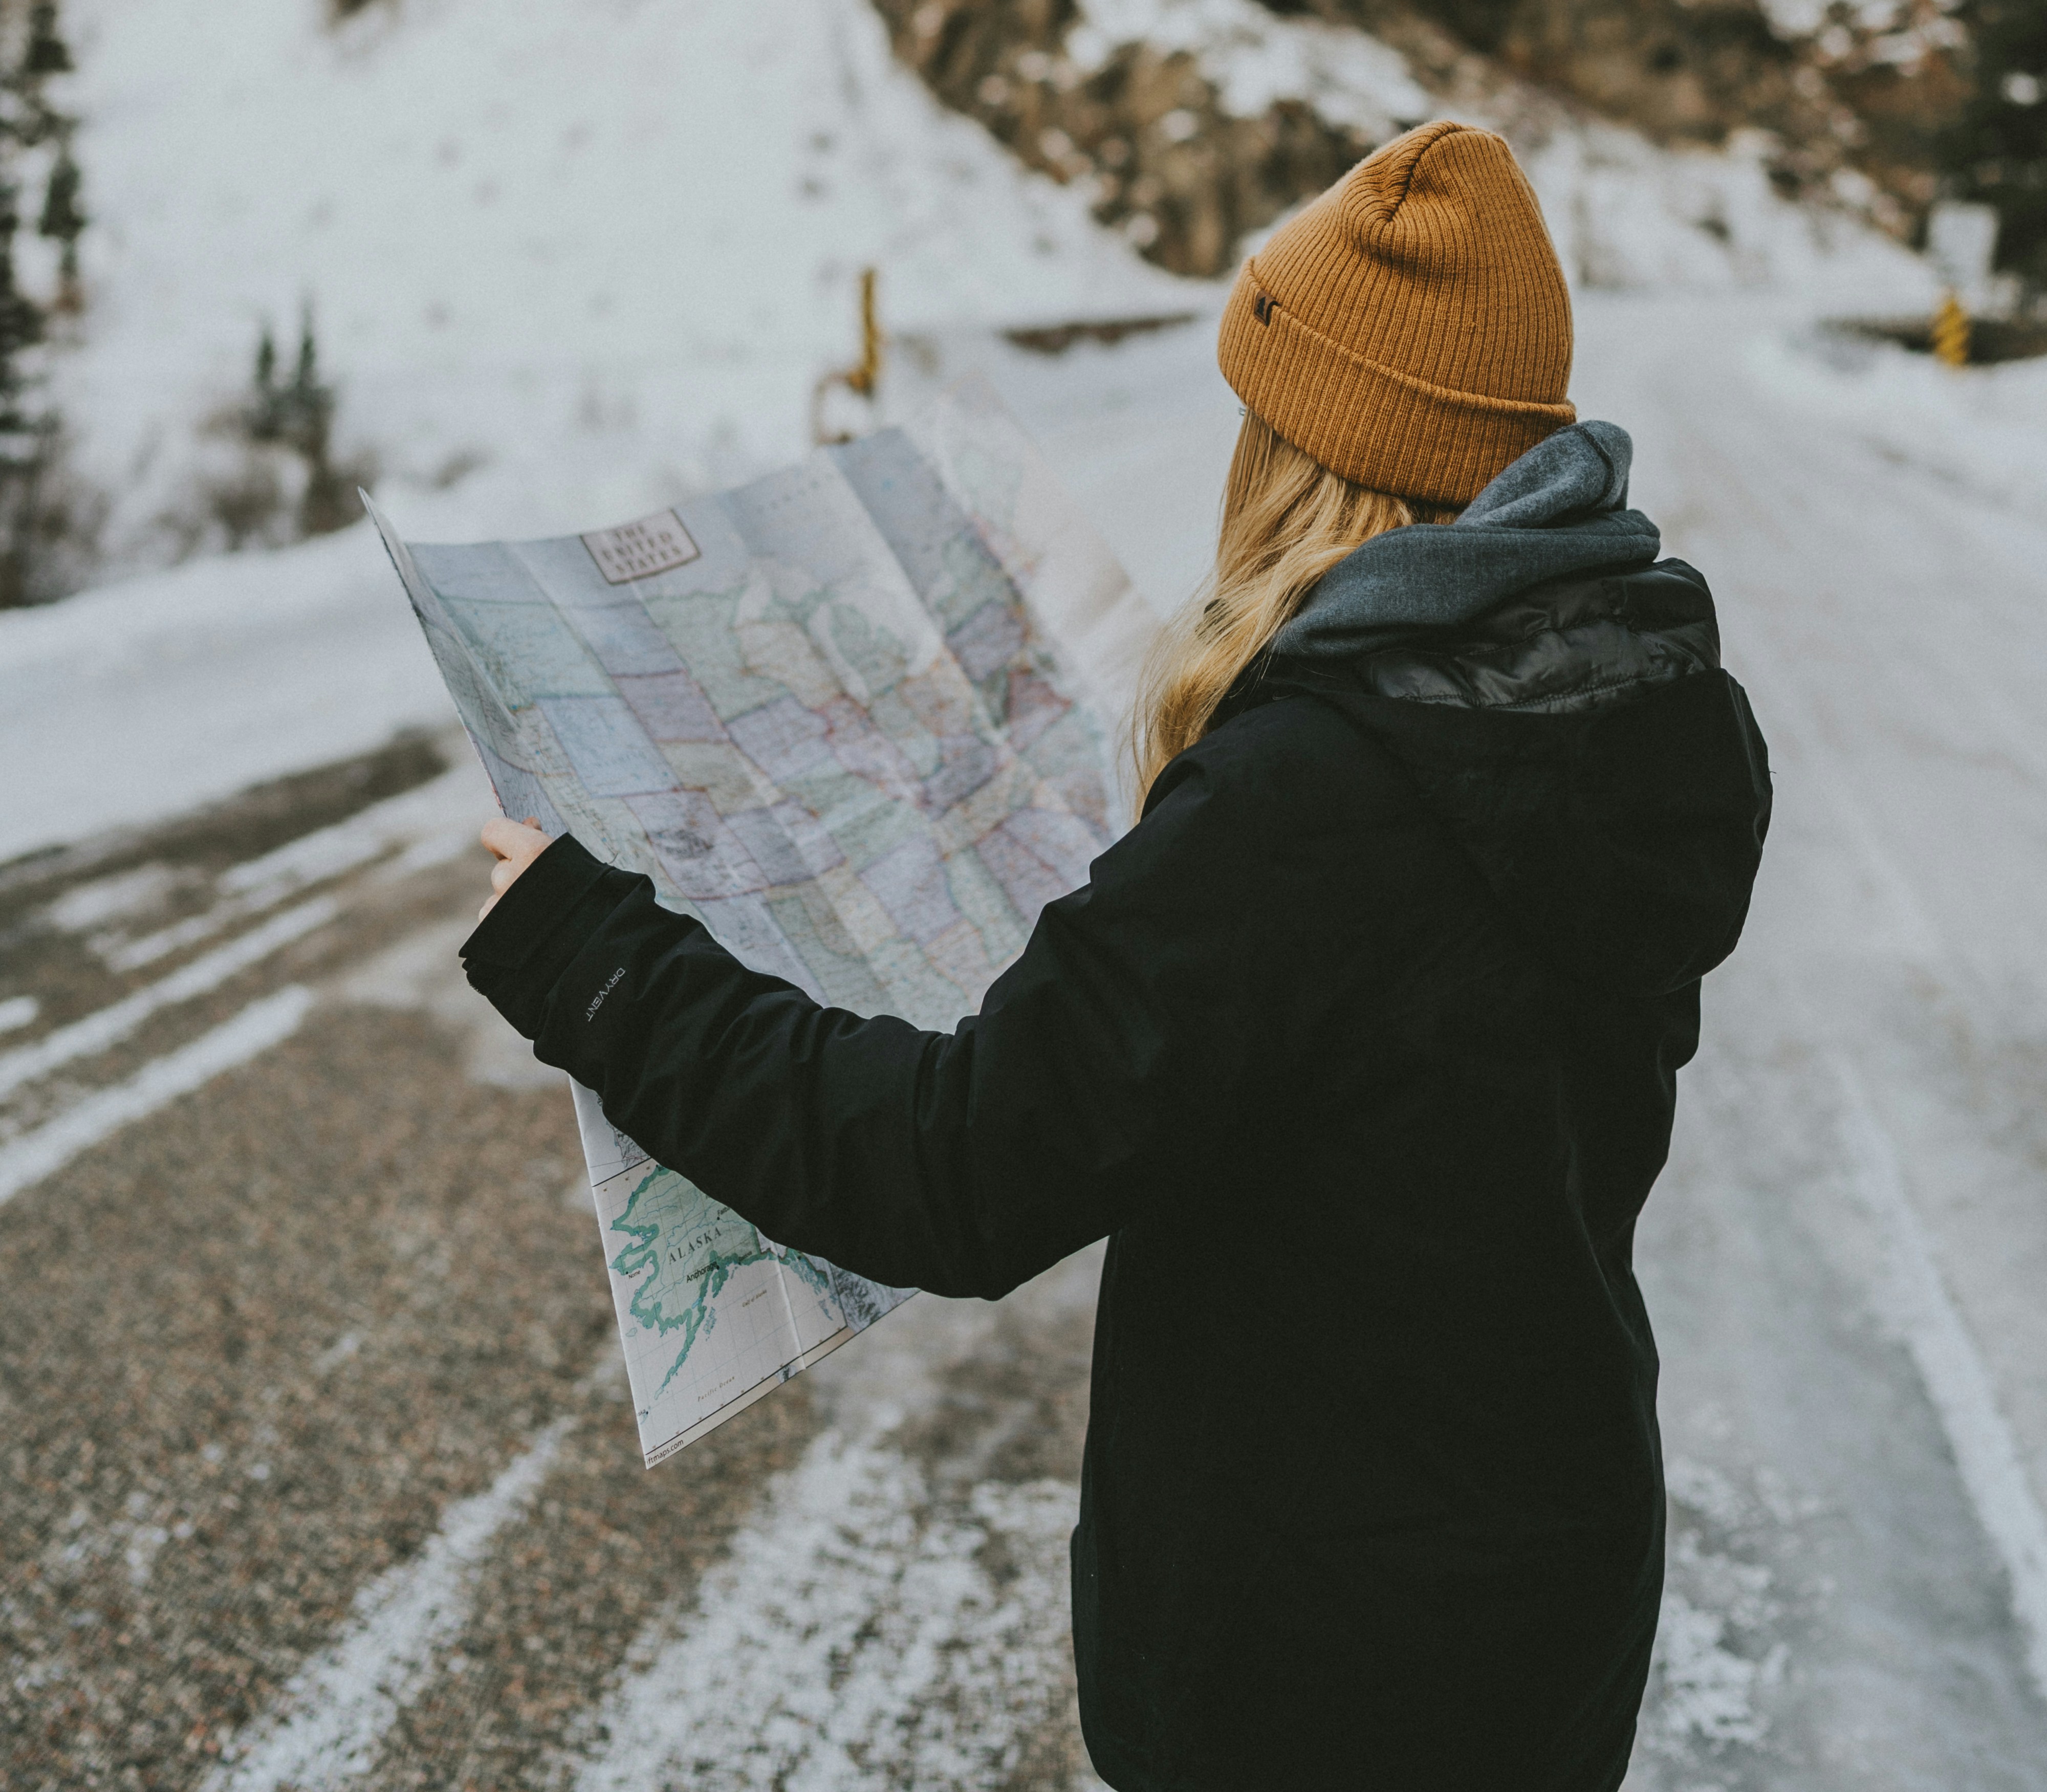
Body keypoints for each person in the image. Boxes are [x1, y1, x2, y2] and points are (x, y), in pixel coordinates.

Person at [463, 119, 1770, 1792]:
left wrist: (595, 956)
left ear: (1312, 451)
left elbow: (952, 1169)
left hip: (1319, 1669)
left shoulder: (1316, 800)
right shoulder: (1641, 706)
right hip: (1544, 1599)